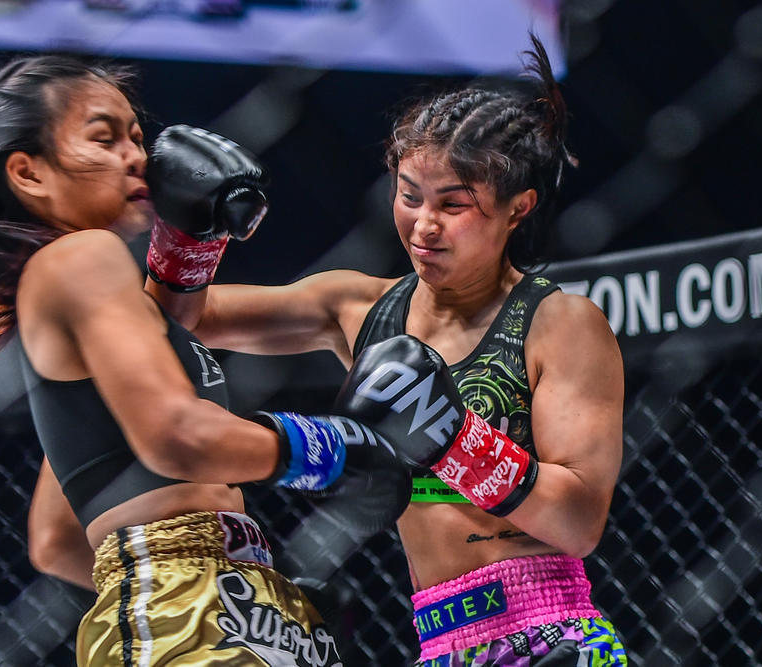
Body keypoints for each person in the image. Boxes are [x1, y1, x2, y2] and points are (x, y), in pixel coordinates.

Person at [143, 35, 629, 665]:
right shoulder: (355, 308)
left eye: (454, 204)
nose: (425, 224)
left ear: (518, 209)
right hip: (439, 644)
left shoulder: (559, 323)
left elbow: (579, 523)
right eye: (410, 195)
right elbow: (179, 321)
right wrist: (185, 235)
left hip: (549, 633)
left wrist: (454, 440)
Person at [0, 53, 406, 667]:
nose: (136, 156)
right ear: (30, 173)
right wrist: (332, 449)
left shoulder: (101, 309)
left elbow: (56, 539)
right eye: (103, 138)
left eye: (136, 137)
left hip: (221, 600)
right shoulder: (81, 255)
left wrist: (254, 589)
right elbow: (178, 434)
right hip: (181, 609)